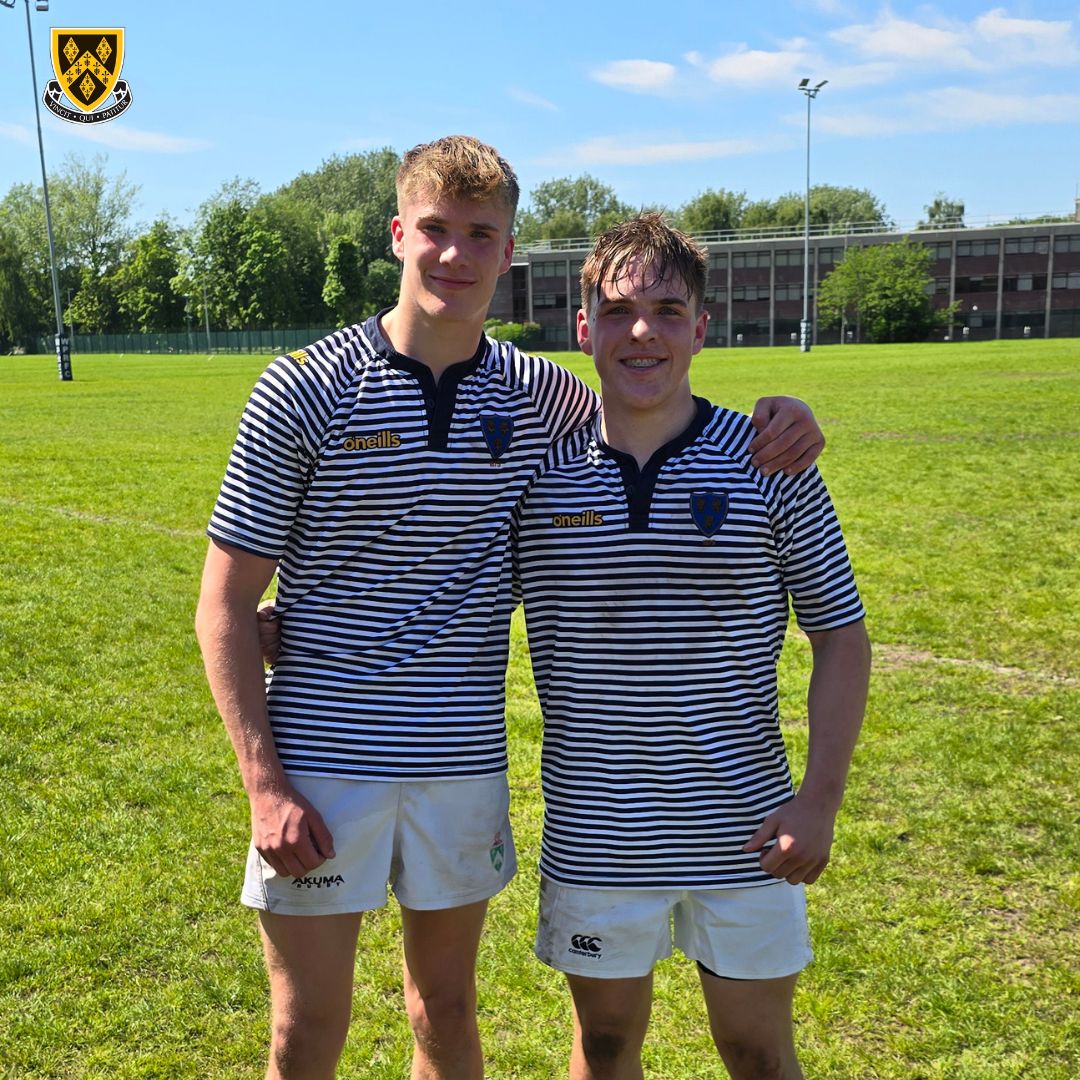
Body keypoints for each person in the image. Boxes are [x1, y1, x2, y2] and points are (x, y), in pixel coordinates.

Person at [196, 136, 825, 1080]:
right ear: (398, 233)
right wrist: (263, 782)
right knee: (303, 1025)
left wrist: (787, 418)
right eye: (436, 230)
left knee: (443, 1007)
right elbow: (224, 602)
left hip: (460, 763)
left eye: (479, 234)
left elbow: (649, 401)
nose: (454, 254)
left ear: (508, 248)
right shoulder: (302, 387)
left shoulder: (542, 398)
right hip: (323, 763)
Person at [511, 213, 871, 1079]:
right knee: (603, 1048)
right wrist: (288, 623)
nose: (644, 331)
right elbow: (443, 589)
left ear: (702, 328)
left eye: (669, 310)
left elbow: (842, 636)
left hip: (745, 832)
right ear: (583, 326)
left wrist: (819, 801)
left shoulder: (770, 459)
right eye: (620, 309)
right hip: (599, 834)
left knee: (756, 1052)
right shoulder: (536, 469)